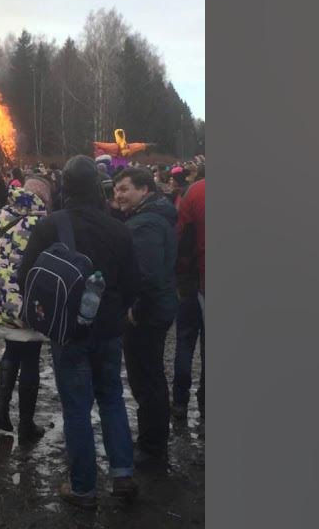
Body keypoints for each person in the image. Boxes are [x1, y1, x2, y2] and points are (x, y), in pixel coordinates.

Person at [19, 156, 143, 509]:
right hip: (108, 331)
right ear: (99, 187)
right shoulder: (119, 227)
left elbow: (25, 275)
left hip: (68, 331)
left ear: (65, 187)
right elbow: (134, 281)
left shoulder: (52, 225)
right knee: (112, 398)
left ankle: (83, 488)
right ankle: (122, 474)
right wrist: (116, 311)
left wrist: (42, 314)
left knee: (76, 408)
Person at [0, 177, 53, 440]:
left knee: (11, 350)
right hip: (27, 297)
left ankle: (0, 413)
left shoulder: (4, 213)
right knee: (30, 356)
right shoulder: (45, 223)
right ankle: (26, 423)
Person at [112, 167, 179, 458]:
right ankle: (154, 441)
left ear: (144, 190)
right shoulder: (150, 217)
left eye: (124, 189)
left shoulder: (145, 225)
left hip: (148, 314)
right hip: (158, 308)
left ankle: (152, 447)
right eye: (116, 190)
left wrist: (136, 311)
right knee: (150, 376)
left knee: (146, 378)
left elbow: (147, 276)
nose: (118, 195)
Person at [173, 173, 206, 417]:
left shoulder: (194, 192)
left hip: (192, 281)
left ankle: (180, 401)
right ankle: (206, 405)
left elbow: (182, 239)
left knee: (184, 342)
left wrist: (181, 277)